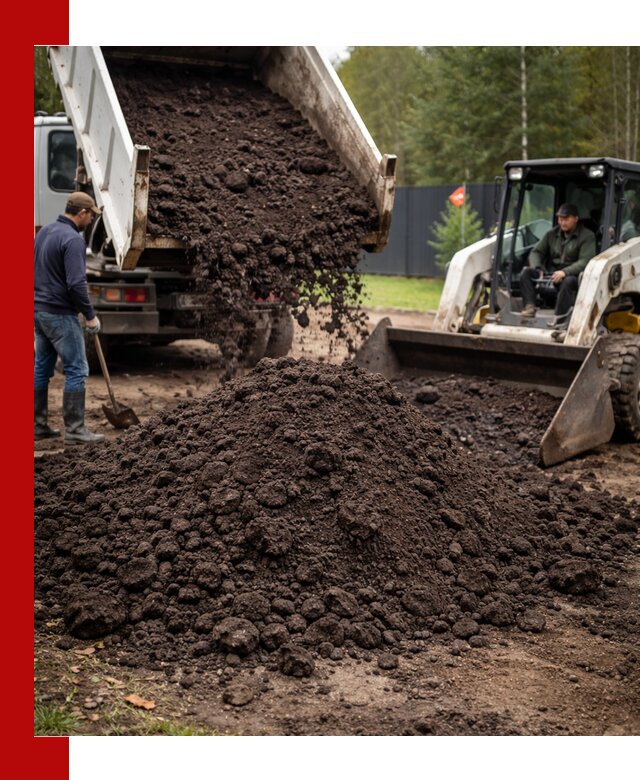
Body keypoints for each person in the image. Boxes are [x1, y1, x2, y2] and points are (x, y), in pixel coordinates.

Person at [34, 191, 105, 444]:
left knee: (41, 367)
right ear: (82, 213)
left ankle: (37, 426)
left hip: (39, 311)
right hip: (60, 314)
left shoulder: (45, 231)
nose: (91, 220)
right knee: (77, 368)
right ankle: (75, 430)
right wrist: (90, 316)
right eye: (90, 216)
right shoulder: (73, 239)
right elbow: (76, 284)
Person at [519, 203, 596, 320]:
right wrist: (537, 268)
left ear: (576, 219)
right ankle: (529, 307)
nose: (562, 223)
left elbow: (585, 261)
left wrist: (565, 272)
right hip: (551, 274)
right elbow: (536, 252)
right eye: (560, 219)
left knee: (569, 282)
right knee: (526, 272)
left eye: (566, 219)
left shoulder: (587, 236)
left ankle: (559, 317)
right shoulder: (551, 234)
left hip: (572, 276)